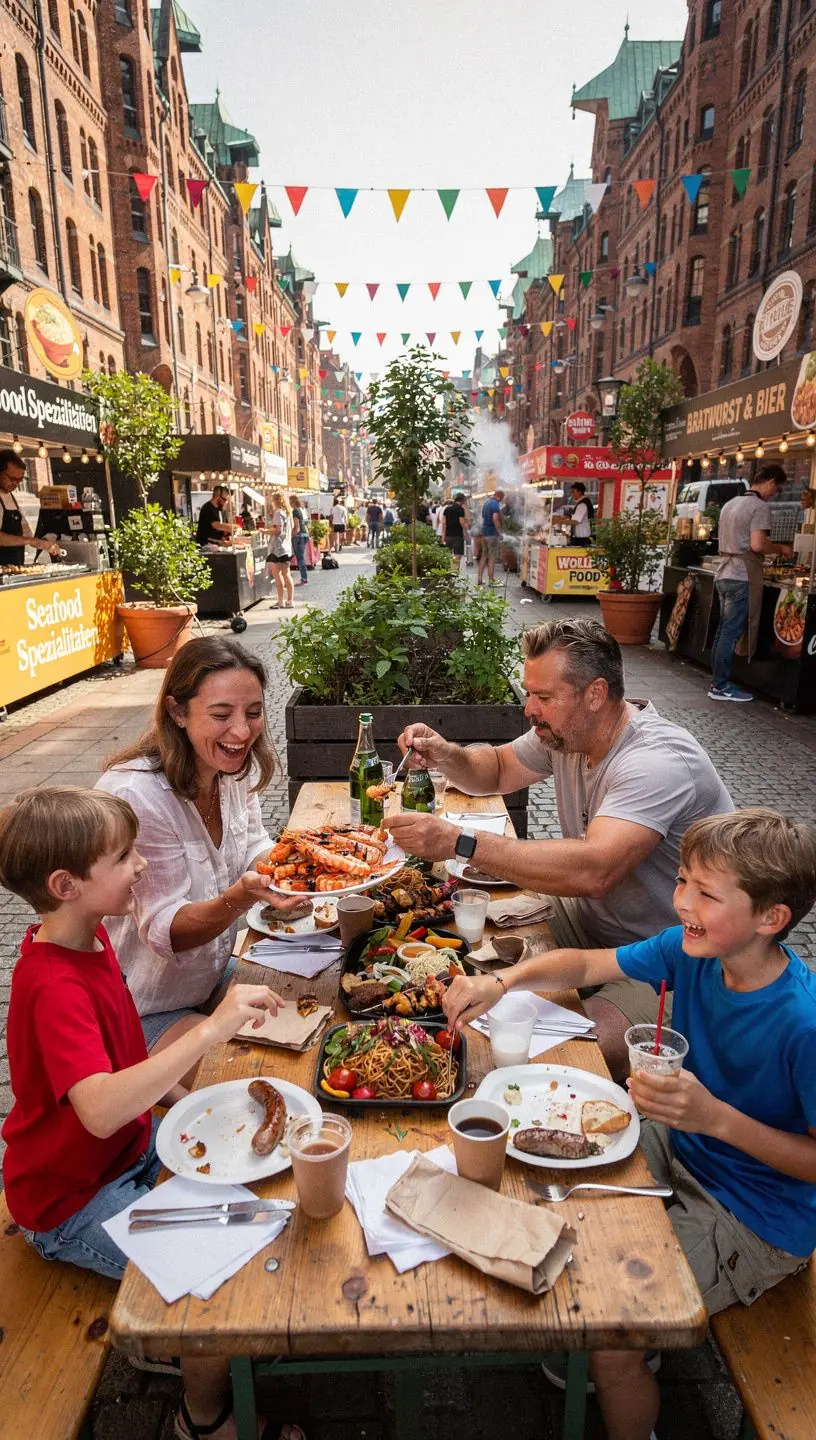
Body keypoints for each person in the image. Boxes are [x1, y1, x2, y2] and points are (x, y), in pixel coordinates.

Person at [444, 808, 816, 1440]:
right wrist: (502, 982)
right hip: (687, 1147)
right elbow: (587, 966)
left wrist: (716, 1119)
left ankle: (626, 1365)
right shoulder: (694, 952)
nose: (682, 902)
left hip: (756, 1217)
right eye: (683, 881)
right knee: (551, 1179)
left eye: (706, 893)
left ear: (770, 918)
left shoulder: (801, 1023)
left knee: (610, 1331)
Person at [0, 785, 291, 1440]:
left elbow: (124, 1056)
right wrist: (209, 1030)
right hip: (70, 1200)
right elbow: (100, 1110)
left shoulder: (89, 940)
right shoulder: (51, 985)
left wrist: (190, 1106)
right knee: (214, 1277)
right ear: (66, 885)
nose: (141, 865)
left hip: (129, 1151)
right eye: (123, 857)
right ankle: (203, 1417)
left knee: (261, 1192)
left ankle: (210, 1350)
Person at [386, 617, 733, 1079]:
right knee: (463, 941)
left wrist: (459, 842)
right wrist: (446, 754)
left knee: (560, 1057)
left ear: (595, 694)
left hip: (671, 960)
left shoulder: (656, 760)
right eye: (530, 693)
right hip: (593, 923)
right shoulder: (567, 732)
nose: (529, 709)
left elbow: (593, 871)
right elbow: (496, 769)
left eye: (544, 697)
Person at [95, 637, 298, 1061]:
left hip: (208, 983)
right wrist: (242, 897)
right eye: (221, 715)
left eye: (254, 713)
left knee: (314, 1011)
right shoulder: (138, 794)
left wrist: (294, 871)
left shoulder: (232, 768)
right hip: (142, 1009)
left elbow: (254, 844)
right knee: (256, 1070)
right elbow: (165, 930)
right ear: (177, 712)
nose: (241, 732)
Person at [710, 463, 793, 703]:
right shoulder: (759, 507)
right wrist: (781, 548)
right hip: (741, 575)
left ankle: (717, 681)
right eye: (777, 489)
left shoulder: (730, 504)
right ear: (770, 482)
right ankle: (720, 685)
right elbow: (758, 545)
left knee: (722, 631)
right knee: (730, 632)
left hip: (723, 572)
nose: (775, 494)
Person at [0, 450, 61, 563]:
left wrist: (44, 543)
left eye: (20, 480)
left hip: (13, 566)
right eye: (12, 479)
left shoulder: (9, 496)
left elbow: (26, 533)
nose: (16, 484)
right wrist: (30, 541)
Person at [266, 491, 294, 609]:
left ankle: (280, 601)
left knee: (277, 576)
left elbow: (278, 531)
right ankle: (290, 601)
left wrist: (266, 531)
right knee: (287, 574)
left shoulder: (278, 512)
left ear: (275, 500)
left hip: (277, 548)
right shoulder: (288, 513)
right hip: (287, 547)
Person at [477, 488, 504, 586]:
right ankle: (491, 580)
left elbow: (483, 517)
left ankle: (479, 579)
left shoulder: (486, 503)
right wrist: (499, 532)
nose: (502, 500)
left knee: (483, 556)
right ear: (499, 496)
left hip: (484, 533)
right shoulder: (495, 503)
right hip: (492, 534)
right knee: (492, 557)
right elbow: (495, 518)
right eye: (502, 498)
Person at [441, 491, 468, 573]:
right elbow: (462, 522)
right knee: (457, 555)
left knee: (448, 554)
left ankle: (447, 571)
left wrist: (443, 536)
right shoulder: (460, 509)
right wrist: (466, 532)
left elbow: (444, 523)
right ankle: (455, 572)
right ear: (462, 500)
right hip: (457, 535)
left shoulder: (447, 508)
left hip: (448, 535)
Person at [291, 495, 309, 585]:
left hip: (299, 536)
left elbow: (296, 526)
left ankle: (304, 578)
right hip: (304, 534)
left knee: (300, 558)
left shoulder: (295, 511)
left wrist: (291, 536)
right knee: (300, 557)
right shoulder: (301, 509)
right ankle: (304, 578)